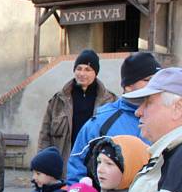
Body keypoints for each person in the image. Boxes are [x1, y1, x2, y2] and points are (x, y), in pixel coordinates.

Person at [66, 51, 160, 184]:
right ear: (128, 85)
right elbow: (77, 165)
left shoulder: (168, 116)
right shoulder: (102, 121)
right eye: (147, 80)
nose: (155, 84)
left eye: (158, 79)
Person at [39, 49, 116, 170]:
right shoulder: (59, 100)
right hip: (64, 165)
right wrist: (42, 164)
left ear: (95, 73)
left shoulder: (110, 101)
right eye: (79, 68)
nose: (82, 73)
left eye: (87, 69)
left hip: (96, 165)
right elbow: (45, 135)